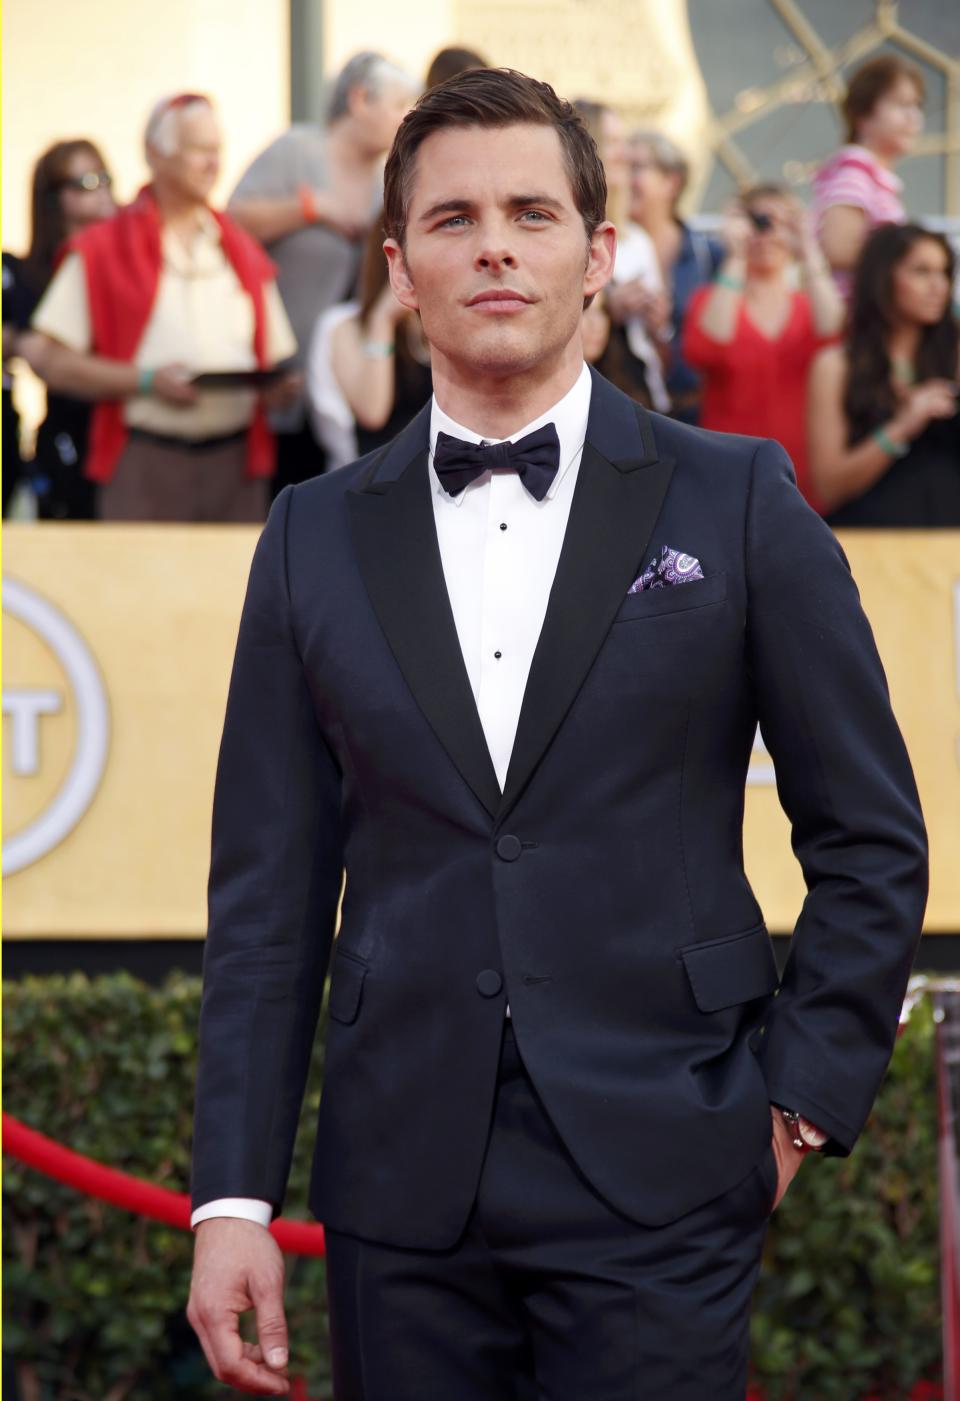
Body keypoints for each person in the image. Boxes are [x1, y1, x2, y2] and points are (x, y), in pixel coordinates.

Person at [188, 68, 927, 1401]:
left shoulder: (738, 497)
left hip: (669, 1162)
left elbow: (870, 834)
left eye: (532, 212)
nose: (494, 245)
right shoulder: (311, 533)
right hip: (401, 1184)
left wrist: (799, 1103)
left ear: (596, 254)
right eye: (455, 217)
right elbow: (265, 894)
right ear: (400, 261)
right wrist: (231, 1196)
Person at [27, 95, 298, 523]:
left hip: (237, 464)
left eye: (217, 149)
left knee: (234, 590)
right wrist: (146, 381)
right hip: (145, 461)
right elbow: (51, 360)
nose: (213, 163)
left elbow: (275, 356)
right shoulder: (102, 247)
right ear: (155, 155)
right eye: (198, 150)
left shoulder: (238, 248)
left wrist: (275, 388)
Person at [229, 52, 418, 493]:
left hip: (348, 379)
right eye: (398, 104)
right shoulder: (298, 149)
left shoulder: (387, 177)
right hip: (282, 379)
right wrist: (310, 208)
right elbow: (232, 223)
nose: (407, 117)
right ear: (358, 100)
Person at [683, 184, 844, 509]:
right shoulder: (713, 300)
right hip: (728, 477)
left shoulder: (809, 305)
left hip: (801, 481)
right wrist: (736, 256)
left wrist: (809, 247)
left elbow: (835, 331)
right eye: (759, 221)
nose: (767, 232)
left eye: (779, 222)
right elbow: (706, 348)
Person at [808, 222, 959, 526]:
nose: (938, 286)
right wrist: (902, 427)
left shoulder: (955, 357)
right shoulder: (836, 366)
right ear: (883, 277)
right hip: (870, 543)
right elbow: (829, 486)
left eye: (944, 272)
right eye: (921, 271)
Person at [3, 139, 115, 518]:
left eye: (104, 179)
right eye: (85, 182)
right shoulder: (25, 275)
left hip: (121, 429)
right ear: (53, 198)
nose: (100, 192)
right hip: (68, 432)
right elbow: (36, 354)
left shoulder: (126, 267)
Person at [611, 129, 723, 423]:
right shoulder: (606, 248)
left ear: (671, 182)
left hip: (701, 416)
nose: (623, 178)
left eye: (636, 167)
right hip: (634, 411)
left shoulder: (709, 253)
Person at [306, 218, 431, 467]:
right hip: (369, 481)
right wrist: (382, 320)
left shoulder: (443, 322)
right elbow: (372, 413)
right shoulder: (342, 325)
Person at [575, 100, 665, 410]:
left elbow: (657, 340)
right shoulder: (567, 236)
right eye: (613, 142)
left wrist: (659, 318)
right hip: (593, 395)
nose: (625, 154)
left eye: (623, 143)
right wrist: (610, 306)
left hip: (641, 392)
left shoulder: (638, 240)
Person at [813, 54, 924, 297]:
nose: (913, 118)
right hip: (856, 320)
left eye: (917, 105)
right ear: (863, 113)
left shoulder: (870, 175)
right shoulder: (855, 172)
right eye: (901, 104)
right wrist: (913, 261)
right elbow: (839, 248)